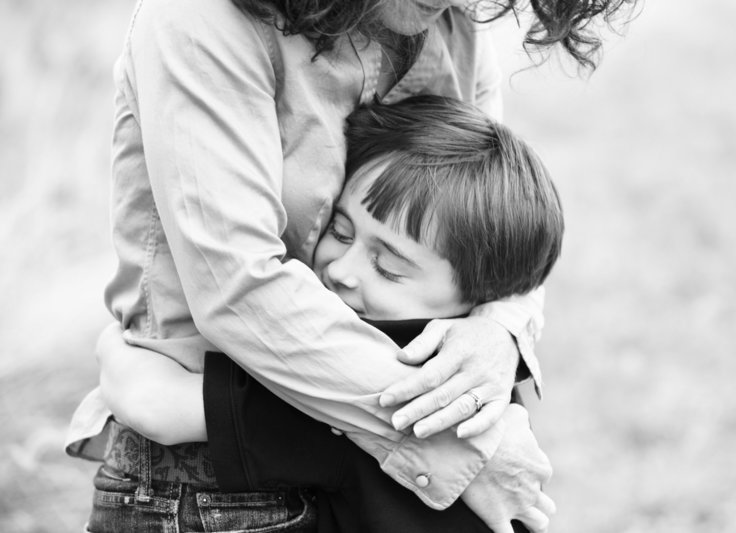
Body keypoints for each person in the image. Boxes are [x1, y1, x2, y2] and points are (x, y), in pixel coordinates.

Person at [65, 0, 636, 531]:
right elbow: (237, 288)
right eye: (340, 232)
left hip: (267, 433)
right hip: (214, 490)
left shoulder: (452, 24)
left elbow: (495, 230)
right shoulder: (203, 19)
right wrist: (463, 444)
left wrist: (500, 330)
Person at [96, 94, 565, 533]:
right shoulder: (483, 378)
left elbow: (156, 406)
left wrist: (113, 351)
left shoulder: (363, 389)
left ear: (481, 296)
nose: (341, 270)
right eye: (340, 232)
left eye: (387, 266)